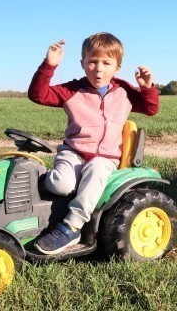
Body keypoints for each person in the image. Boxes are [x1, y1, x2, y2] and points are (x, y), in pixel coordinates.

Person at [28, 32, 159, 255]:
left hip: (105, 158)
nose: (99, 68)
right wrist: (49, 65)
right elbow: (37, 94)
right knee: (61, 185)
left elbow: (151, 108)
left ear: (117, 67)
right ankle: (43, 194)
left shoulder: (125, 92)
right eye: (92, 62)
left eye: (106, 63)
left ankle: (71, 227)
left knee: (97, 168)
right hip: (73, 153)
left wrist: (147, 88)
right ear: (82, 64)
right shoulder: (72, 90)